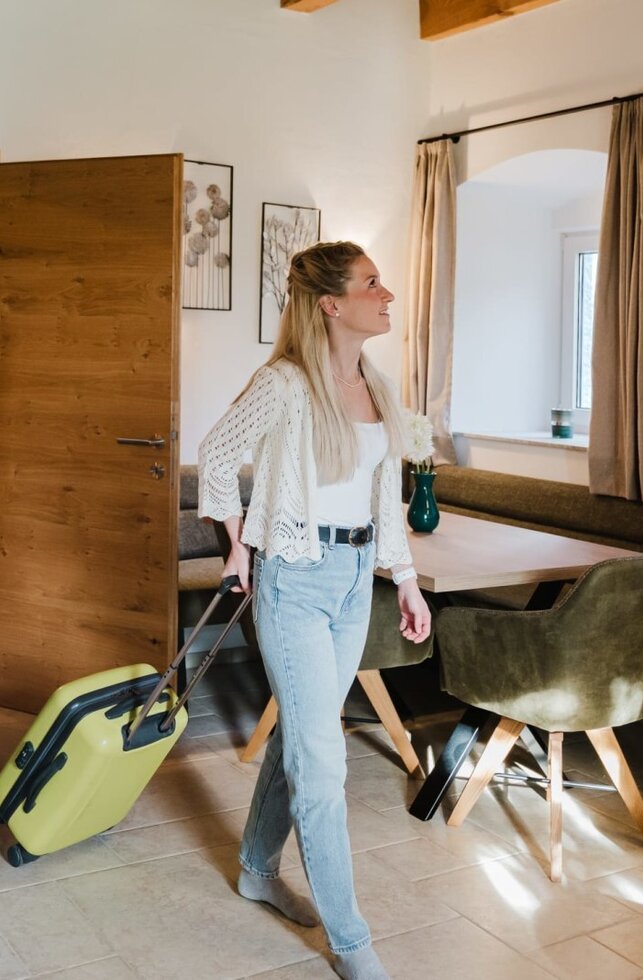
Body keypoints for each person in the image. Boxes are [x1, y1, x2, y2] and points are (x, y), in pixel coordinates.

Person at [197, 241, 431, 980]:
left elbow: (383, 498)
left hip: (357, 579)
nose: (386, 294)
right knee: (323, 764)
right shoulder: (285, 383)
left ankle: (257, 869)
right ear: (331, 303)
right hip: (295, 577)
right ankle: (353, 942)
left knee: (302, 740)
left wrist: (409, 580)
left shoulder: (377, 385)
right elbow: (215, 453)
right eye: (372, 284)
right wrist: (238, 543)